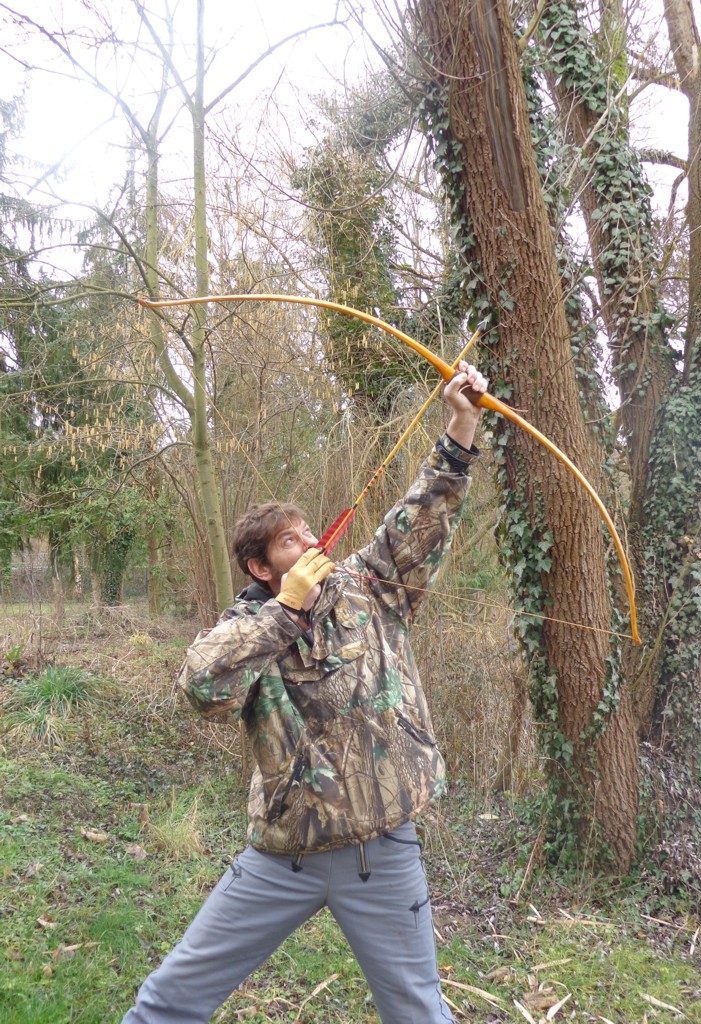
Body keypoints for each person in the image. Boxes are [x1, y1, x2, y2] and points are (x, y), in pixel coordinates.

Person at [121, 361, 488, 1024]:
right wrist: (285, 613)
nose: (312, 542)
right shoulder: (247, 627)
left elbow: (422, 516)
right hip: (283, 854)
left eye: (309, 531)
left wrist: (461, 424)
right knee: (168, 1001)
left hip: (382, 852)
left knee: (419, 1015)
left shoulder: (369, 586)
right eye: (290, 541)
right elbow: (199, 688)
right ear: (261, 567)